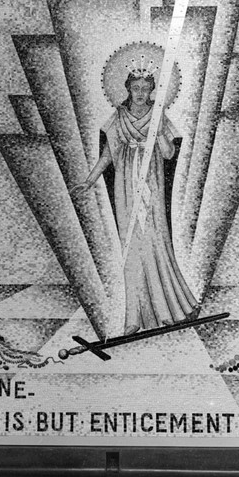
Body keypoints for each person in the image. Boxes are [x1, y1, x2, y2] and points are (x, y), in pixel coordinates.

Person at [73, 71, 198, 334]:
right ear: (128, 89)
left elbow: (168, 153)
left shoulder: (157, 115)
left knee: (155, 242)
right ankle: (134, 318)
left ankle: (167, 310)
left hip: (151, 183)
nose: (141, 93)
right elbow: (109, 153)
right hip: (126, 186)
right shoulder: (118, 117)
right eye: (136, 87)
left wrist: (159, 133)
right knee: (131, 249)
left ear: (152, 91)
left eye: (146, 88)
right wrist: (90, 180)